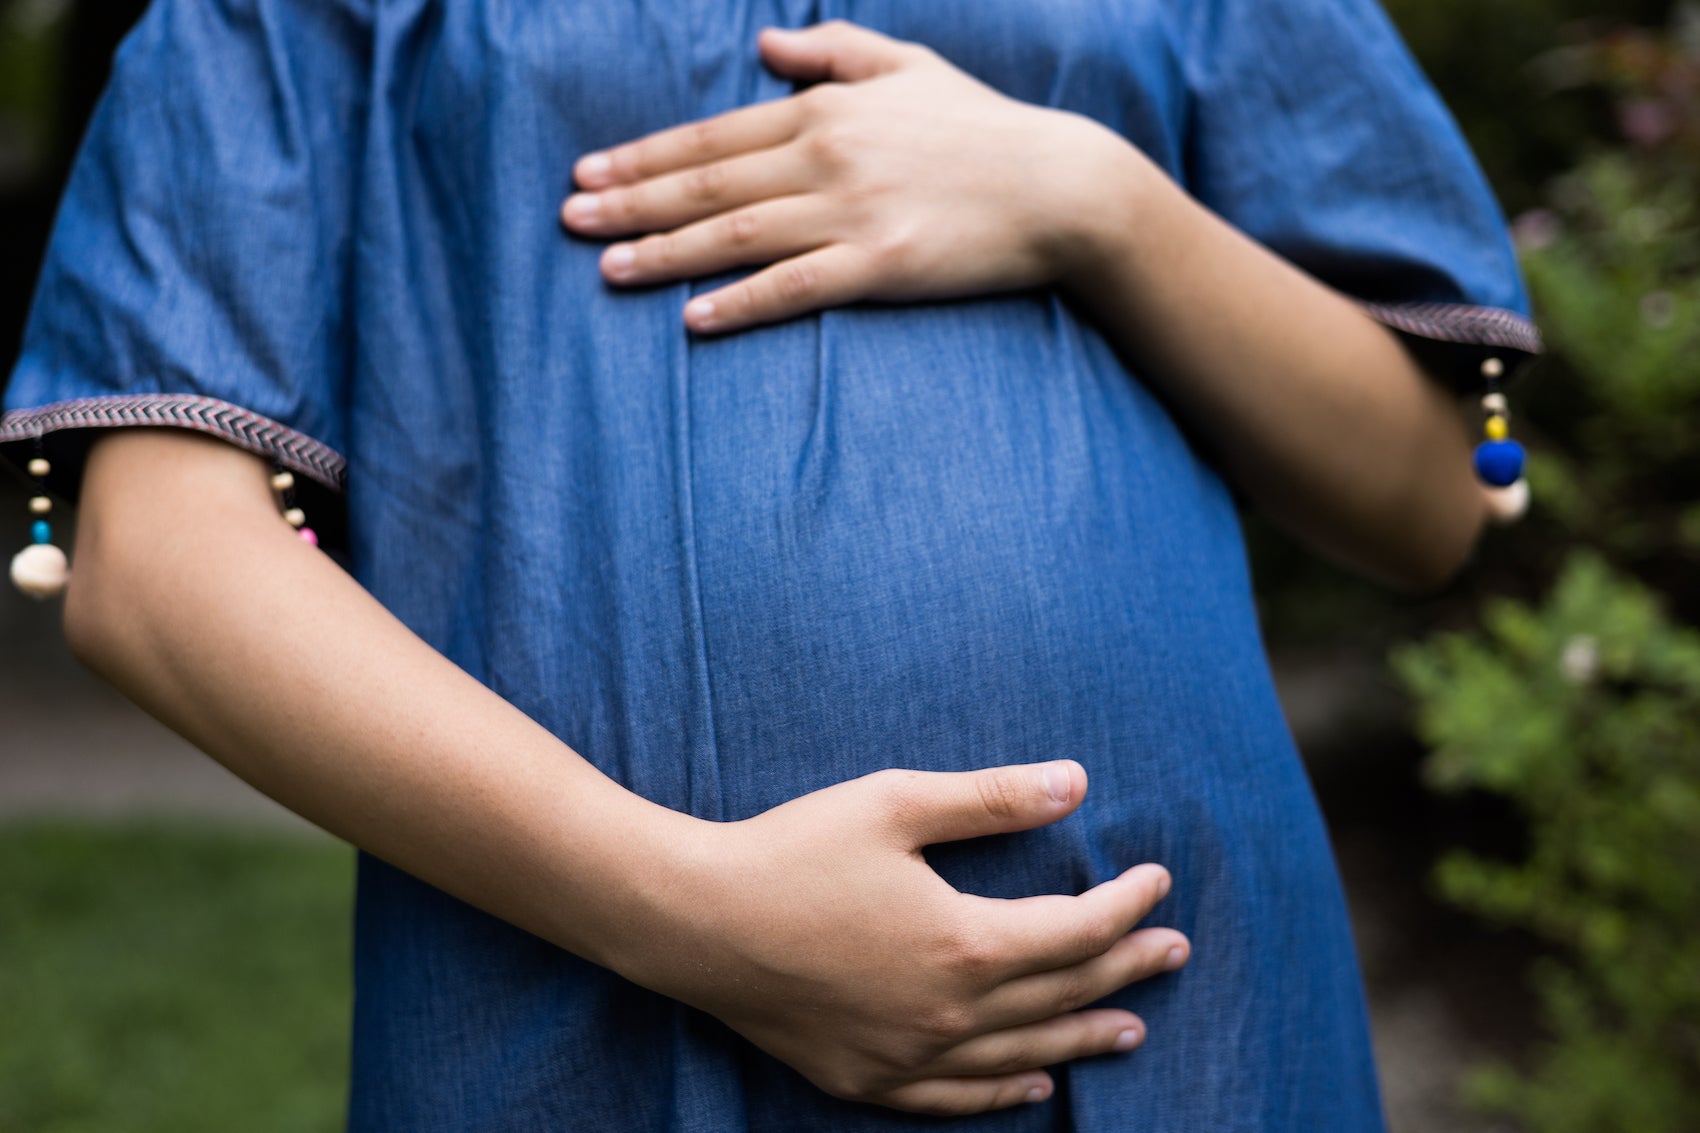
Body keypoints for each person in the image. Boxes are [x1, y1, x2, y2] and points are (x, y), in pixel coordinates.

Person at [0, 0, 1538, 1128]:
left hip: (1185, 1017)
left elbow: (1430, 495)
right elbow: (150, 556)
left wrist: (1092, 199)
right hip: (588, 1013)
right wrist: (692, 910)